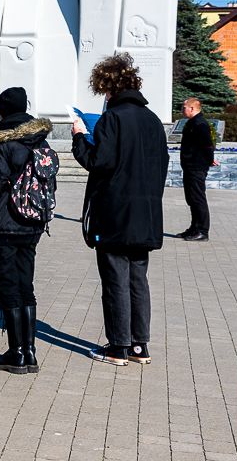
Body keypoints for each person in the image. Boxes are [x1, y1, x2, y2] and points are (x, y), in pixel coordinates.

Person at [71, 52, 169, 366]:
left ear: (108, 88)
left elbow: (98, 162)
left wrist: (79, 138)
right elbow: (162, 167)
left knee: (115, 279)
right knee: (138, 279)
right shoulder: (152, 120)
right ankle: (140, 346)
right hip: (146, 214)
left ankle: (117, 347)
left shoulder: (112, 118)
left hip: (115, 213)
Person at [0, 86, 52, 374]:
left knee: (7, 285)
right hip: (32, 223)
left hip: (4, 224)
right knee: (25, 285)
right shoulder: (39, 141)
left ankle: (16, 352)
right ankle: (30, 351)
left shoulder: (2, 141)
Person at [178, 98, 216, 242]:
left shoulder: (200, 124)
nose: (182, 110)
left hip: (196, 167)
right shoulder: (192, 122)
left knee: (198, 198)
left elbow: (207, 145)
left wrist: (209, 159)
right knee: (191, 198)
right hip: (190, 166)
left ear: (192, 108)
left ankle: (202, 231)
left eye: (184, 107)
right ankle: (194, 228)